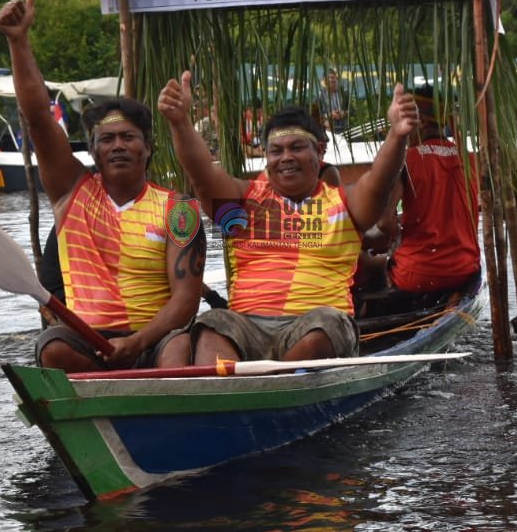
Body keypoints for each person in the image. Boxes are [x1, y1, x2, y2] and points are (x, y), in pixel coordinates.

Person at [0, 0, 205, 372]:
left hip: (155, 339)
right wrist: (19, 42)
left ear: (147, 147)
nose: (118, 146)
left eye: (129, 137)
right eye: (107, 139)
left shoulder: (180, 208)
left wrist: (136, 342)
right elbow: (39, 118)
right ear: (93, 152)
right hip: (86, 340)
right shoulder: (71, 190)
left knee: (178, 352)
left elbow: (185, 301)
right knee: (52, 348)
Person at [157, 72, 419, 366]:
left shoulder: (345, 202)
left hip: (317, 326)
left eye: (297, 147)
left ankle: (261, 390)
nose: (286, 158)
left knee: (327, 323)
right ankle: (232, 395)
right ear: (266, 158)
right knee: (212, 325)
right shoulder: (242, 201)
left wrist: (398, 135)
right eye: (276, 150)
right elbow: (201, 173)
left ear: (319, 152)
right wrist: (179, 122)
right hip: (248, 327)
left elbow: (380, 180)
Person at [385, 86, 481, 293]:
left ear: (423, 122)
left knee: (367, 266)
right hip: (466, 269)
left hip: (416, 275)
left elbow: (385, 222)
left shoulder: (406, 160)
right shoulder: (470, 159)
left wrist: (393, 234)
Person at [319, 68, 350, 134]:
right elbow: (316, 115)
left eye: (333, 77)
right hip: (329, 130)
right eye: (328, 78)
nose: (330, 80)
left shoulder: (344, 93)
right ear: (324, 80)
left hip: (345, 128)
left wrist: (344, 113)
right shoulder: (320, 96)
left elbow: (352, 110)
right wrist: (328, 115)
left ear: (336, 79)